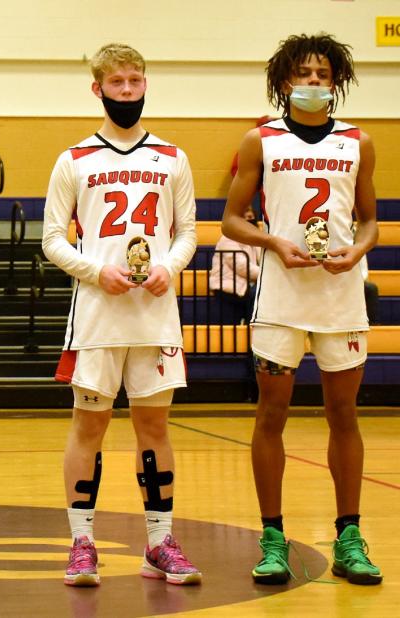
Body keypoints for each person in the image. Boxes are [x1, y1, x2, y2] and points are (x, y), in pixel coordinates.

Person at [221, 33, 381, 586]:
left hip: (341, 296)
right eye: (303, 74)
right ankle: (272, 538)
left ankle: (350, 537)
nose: (313, 83)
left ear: (335, 82)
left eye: (322, 74)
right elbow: (232, 219)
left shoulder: (359, 141)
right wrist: (272, 243)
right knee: (271, 416)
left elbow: (368, 219)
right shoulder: (258, 141)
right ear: (284, 81)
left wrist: (359, 250)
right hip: (282, 297)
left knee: (344, 415)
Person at [42, 43, 201, 587]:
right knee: (90, 426)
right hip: (97, 315)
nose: (128, 91)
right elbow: (51, 241)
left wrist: (170, 268)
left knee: (154, 426)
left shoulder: (173, 158)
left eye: (136, 81)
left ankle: (159, 544)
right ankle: (82, 542)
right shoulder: (74, 159)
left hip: (155, 314)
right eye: (118, 83)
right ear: (98, 89)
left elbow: (187, 234)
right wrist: (94, 271)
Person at [208, 206, 260, 324]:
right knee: (258, 292)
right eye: (245, 212)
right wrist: (266, 274)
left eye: (251, 213)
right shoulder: (228, 238)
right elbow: (241, 267)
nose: (250, 215)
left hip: (244, 287)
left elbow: (262, 259)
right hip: (228, 287)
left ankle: (252, 330)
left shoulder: (253, 239)